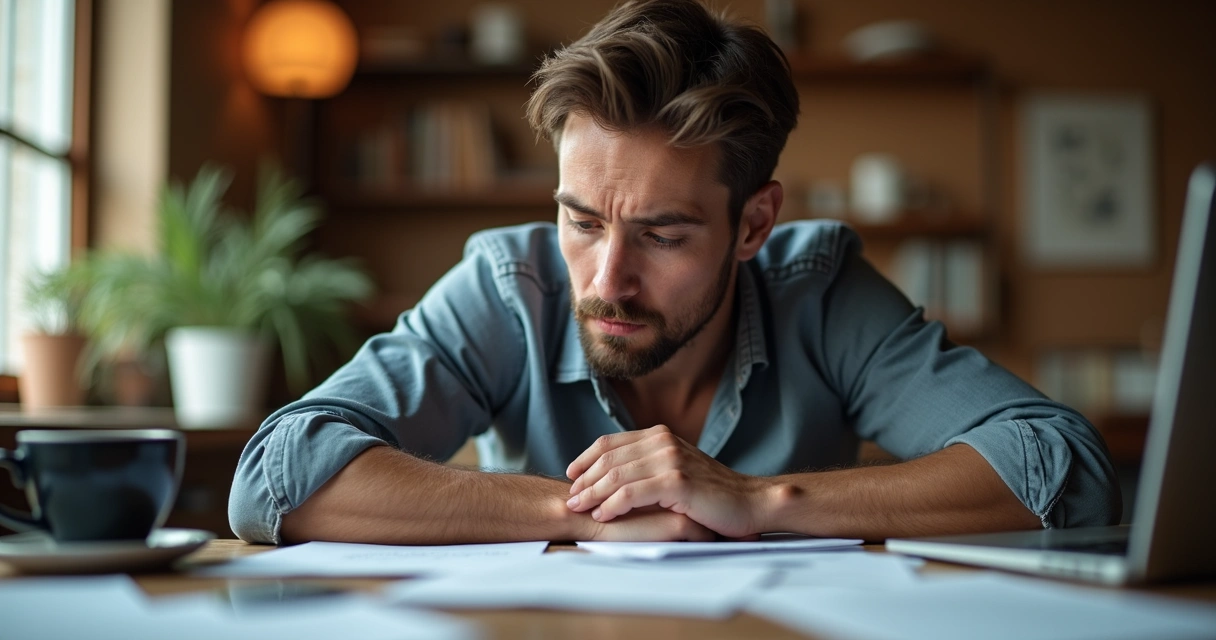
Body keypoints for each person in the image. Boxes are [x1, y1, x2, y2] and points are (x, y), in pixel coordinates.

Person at [229, 0, 1120, 545]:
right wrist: (581, 511)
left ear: (753, 224)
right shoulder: (511, 286)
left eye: (663, 234)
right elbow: (279, 473)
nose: (606, 279)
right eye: (581, 220)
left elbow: (1064, 467)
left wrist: (757, 501)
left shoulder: (821, 290)